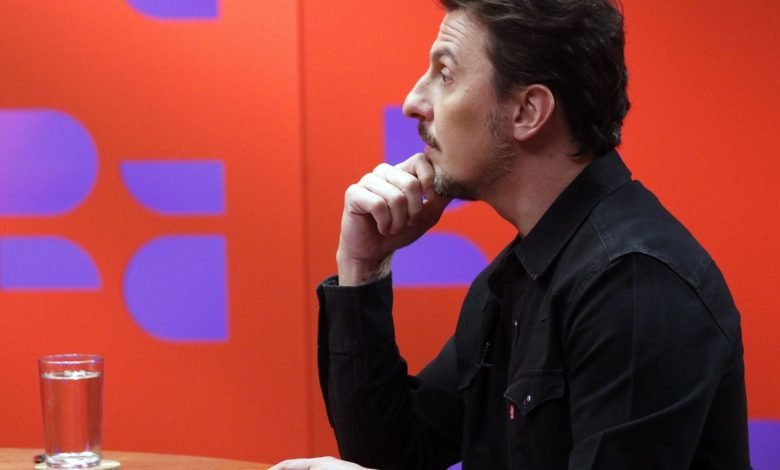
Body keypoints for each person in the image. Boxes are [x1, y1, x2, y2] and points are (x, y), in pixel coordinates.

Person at [272, 0, 751, 468]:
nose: (413, 103)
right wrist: (363, 266)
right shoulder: (513, 279)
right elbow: (392, 455)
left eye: (445, 74)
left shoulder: (633, 281)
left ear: (528, 112)